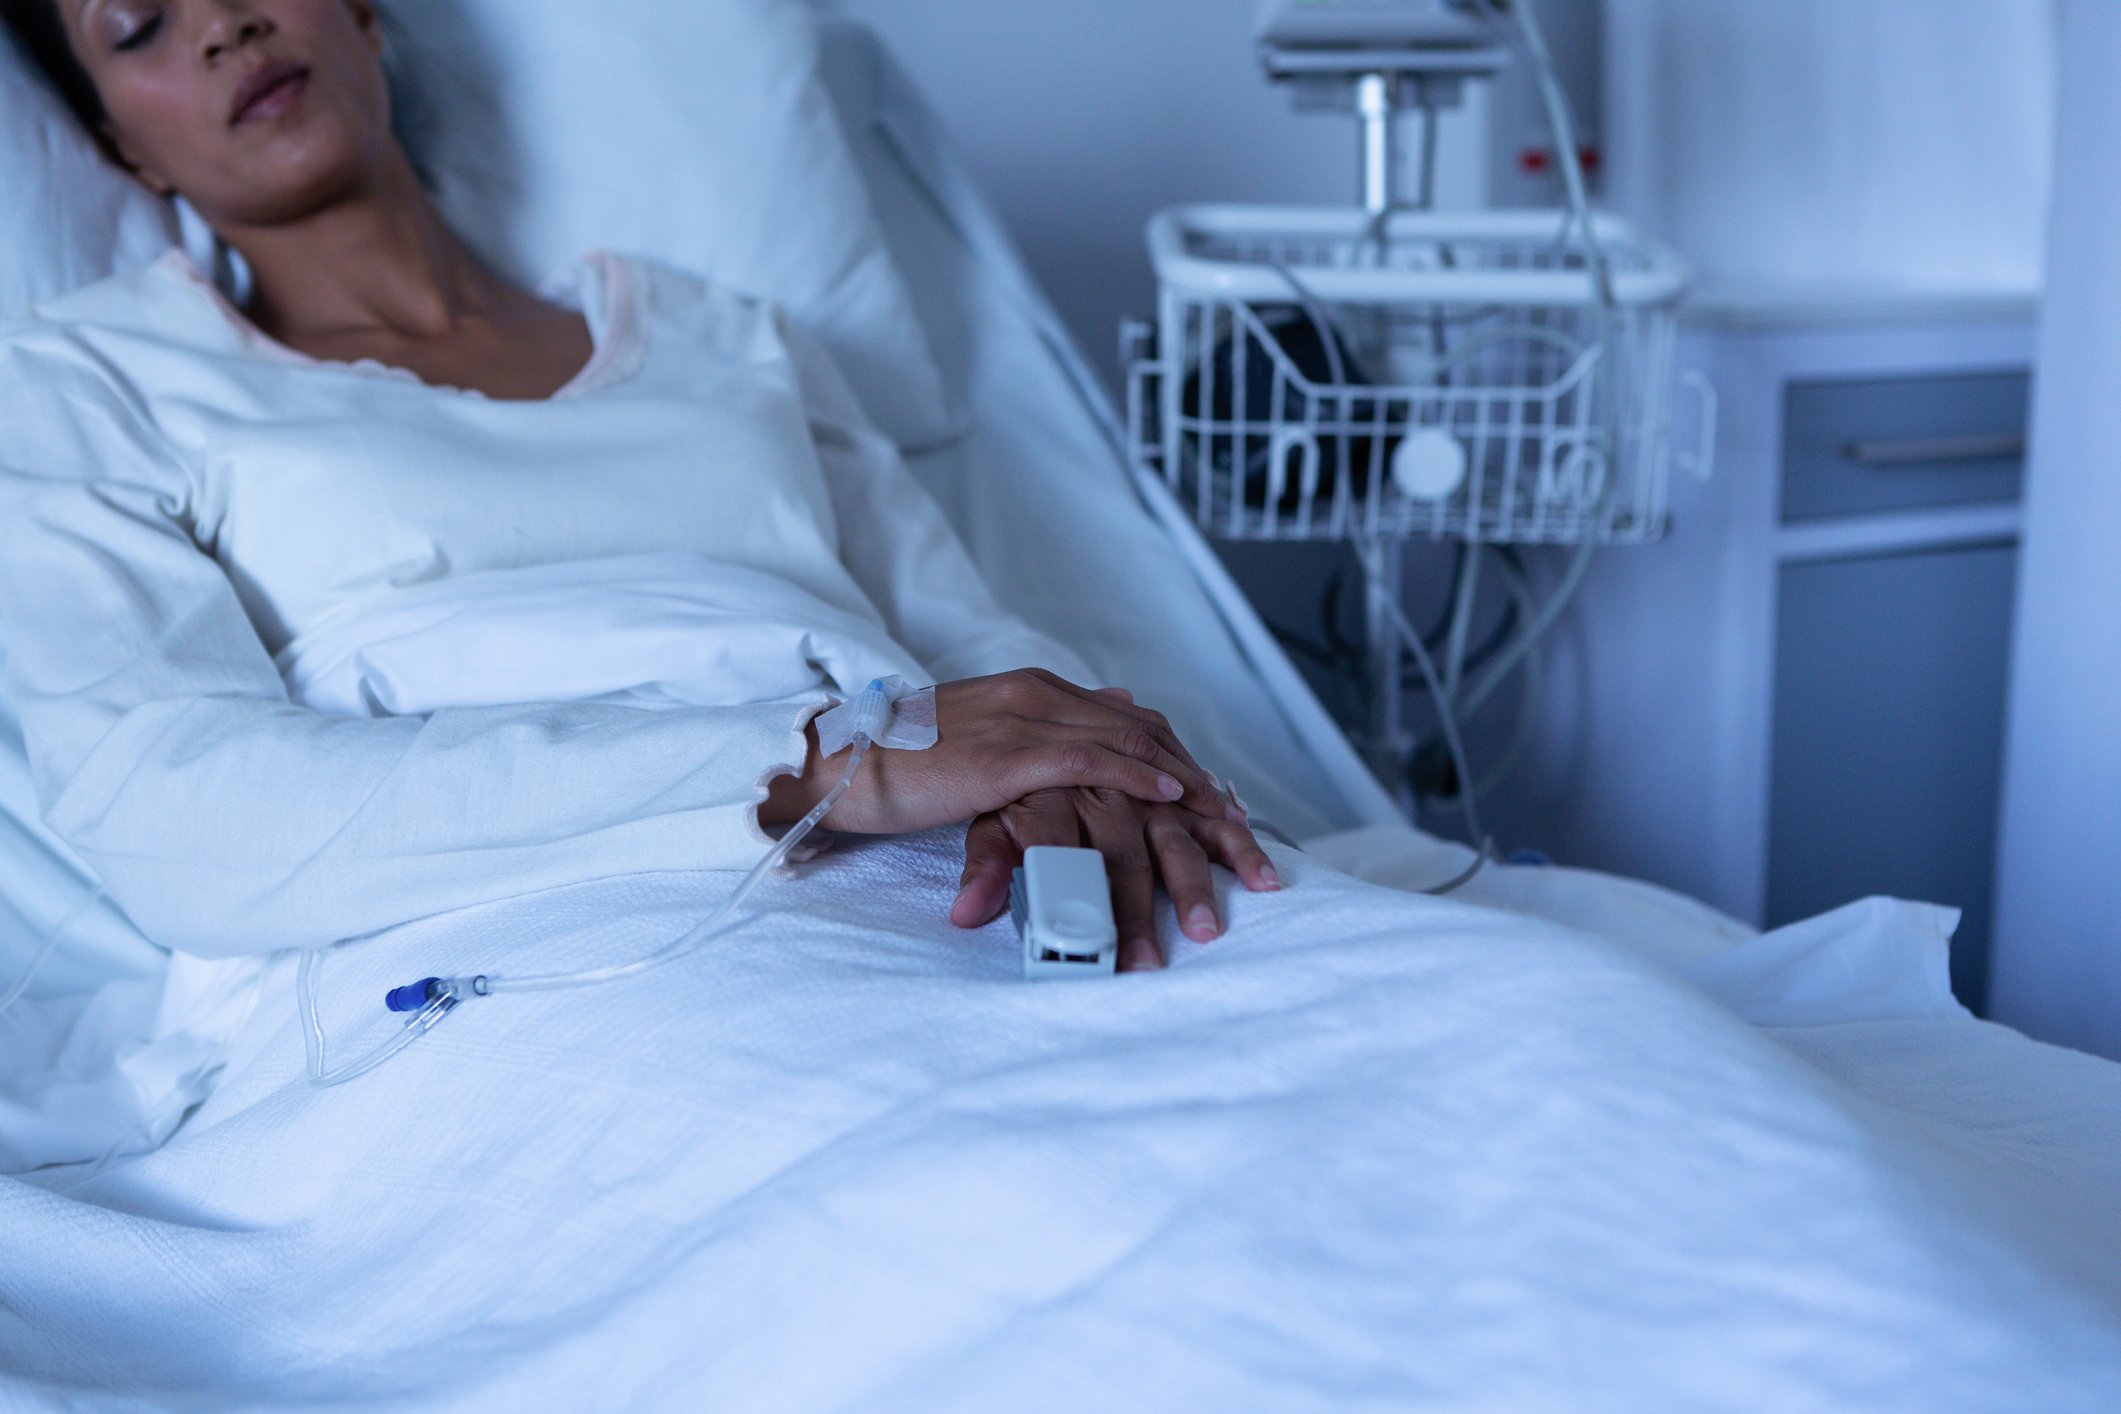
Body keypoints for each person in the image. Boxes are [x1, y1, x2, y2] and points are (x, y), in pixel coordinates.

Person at [0, 0, 1278, 974]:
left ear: (365, 12)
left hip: (976, 870)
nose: (226, 26)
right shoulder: (92, 382)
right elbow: (180, 811)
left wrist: (1093, 771)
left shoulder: (730, 340)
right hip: (551, 945)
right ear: (121, 145)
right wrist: (819, 766)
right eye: (140, 28)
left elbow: (976, 645)